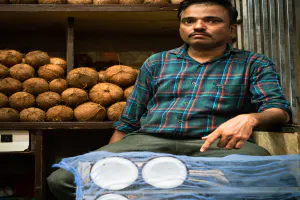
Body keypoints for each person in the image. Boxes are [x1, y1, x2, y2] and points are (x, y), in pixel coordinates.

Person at [47, 0, 291, 199]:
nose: (198, 26)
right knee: (63, 180)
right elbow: (129, 119)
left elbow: (279, 110)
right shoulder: (157, 62)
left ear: (231, 29)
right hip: (149, 140)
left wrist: (250, 117)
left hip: (214, 145)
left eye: (212, 20)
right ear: (181, 28)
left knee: (272, 178)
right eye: (189, 21)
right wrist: (112, 155)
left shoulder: (253, 63)